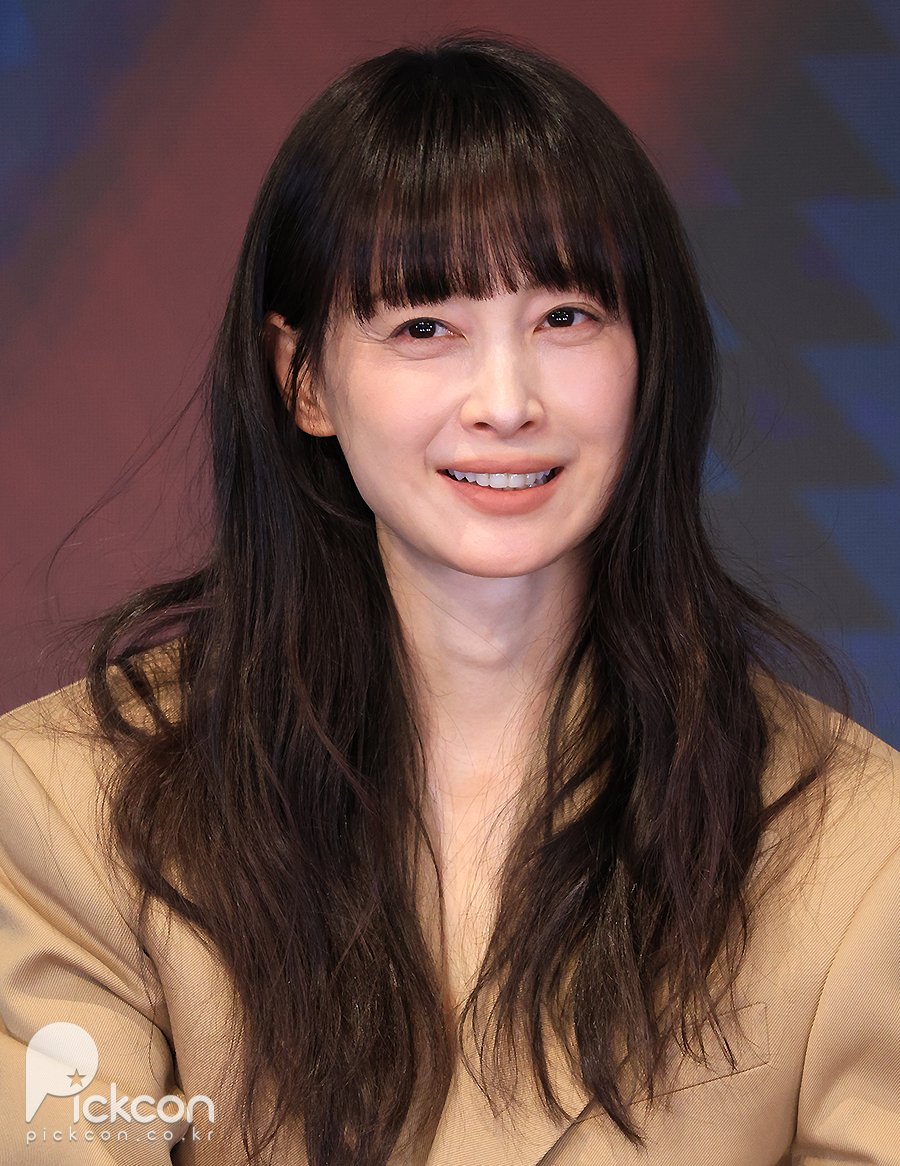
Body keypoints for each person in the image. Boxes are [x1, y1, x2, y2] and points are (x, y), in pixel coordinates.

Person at [1, 32, 898, 1166]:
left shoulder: (859, 849)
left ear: (647, 356)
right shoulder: (71, 808)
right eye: (425, 328)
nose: (506, 402)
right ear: (304, 380)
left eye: (565, 317)